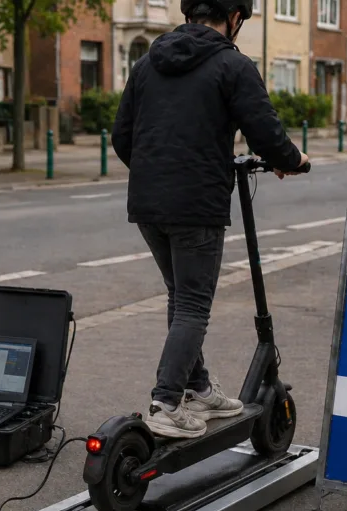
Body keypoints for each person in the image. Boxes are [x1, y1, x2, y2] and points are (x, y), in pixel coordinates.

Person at [111, 0, 308, 439]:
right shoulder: (232, 65)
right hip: (196, 205)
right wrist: (293, 160)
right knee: (193, 305)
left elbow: (121, 136)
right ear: (234, 17)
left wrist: (155, 174)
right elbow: (265, 131)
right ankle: (166, 402)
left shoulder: (146, 64)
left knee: (180, 296)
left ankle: (197, 387)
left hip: (147, 204)